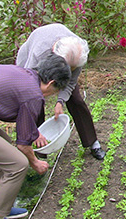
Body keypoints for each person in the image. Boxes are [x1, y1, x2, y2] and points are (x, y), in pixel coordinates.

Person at [0, 53, 71, 219]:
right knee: (18, 164)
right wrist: (35, 163)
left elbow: (21, 111)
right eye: (56, 90)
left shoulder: (25, 76)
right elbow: (23, 146)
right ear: (51, 83)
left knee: (2, 143)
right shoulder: (33, 95)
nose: (54, 94)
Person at [16, 23, 106, 160]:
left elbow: (70, 83)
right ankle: (40, 152)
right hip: (33, 64)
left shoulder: (78, 51)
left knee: (76, 99)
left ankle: (92, 142)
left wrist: (60, 102)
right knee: (36, 102)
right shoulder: (38, 54)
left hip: (62, 54)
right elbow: (28, 88)